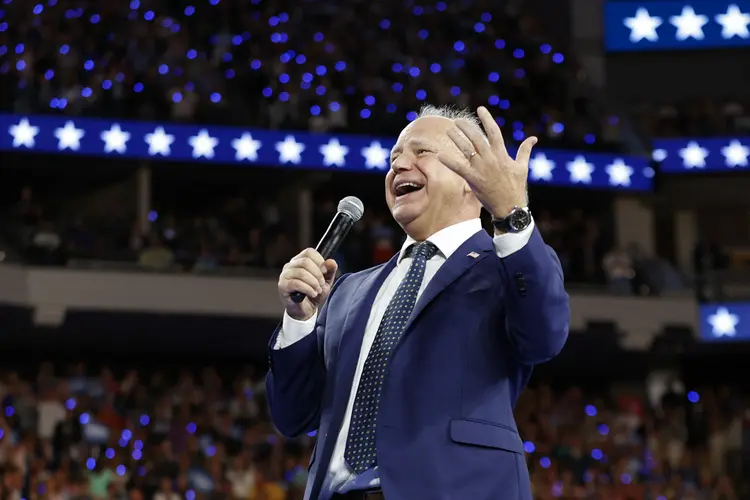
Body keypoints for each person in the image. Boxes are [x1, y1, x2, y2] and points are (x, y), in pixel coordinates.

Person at [267, 105, 570, 500]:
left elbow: (545, 337)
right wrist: (300, 320)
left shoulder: (508, 267)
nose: (399, 166)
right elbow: (292, 417)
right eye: (394, 158)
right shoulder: (348, 290)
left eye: (421, 152)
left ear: (469, 179)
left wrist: (511, 215)